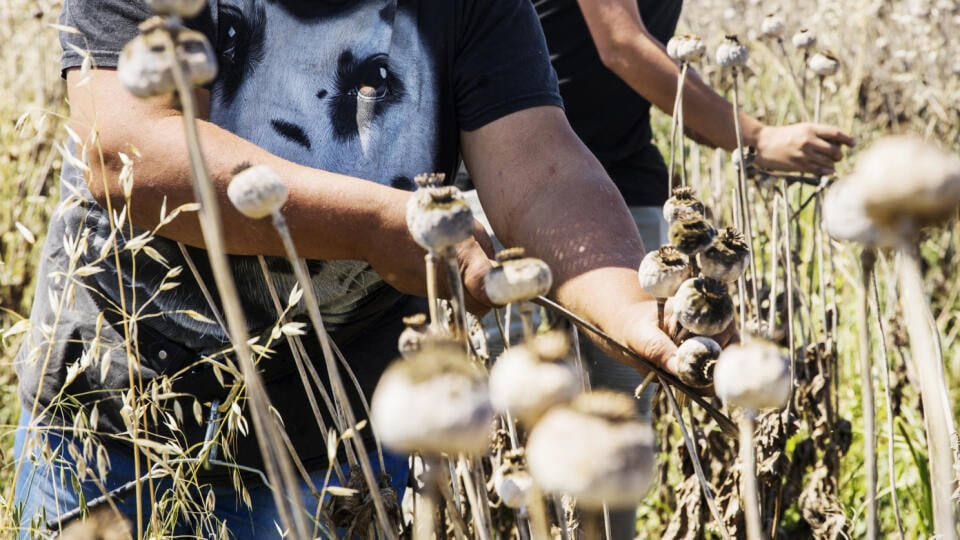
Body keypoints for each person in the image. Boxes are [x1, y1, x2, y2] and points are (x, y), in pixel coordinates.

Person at [11, 0, 691, 537]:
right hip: (112, 428)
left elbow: (541, 169)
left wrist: (627, 304)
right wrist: (373, 229)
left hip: (334, 449)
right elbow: (128, 151)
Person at [532, 0, 855, 537]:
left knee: (619, 419)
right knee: (503, 417)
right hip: (509, 189)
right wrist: (755, 136)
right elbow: (622, 46)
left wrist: (730, 136)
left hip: (621, 183)